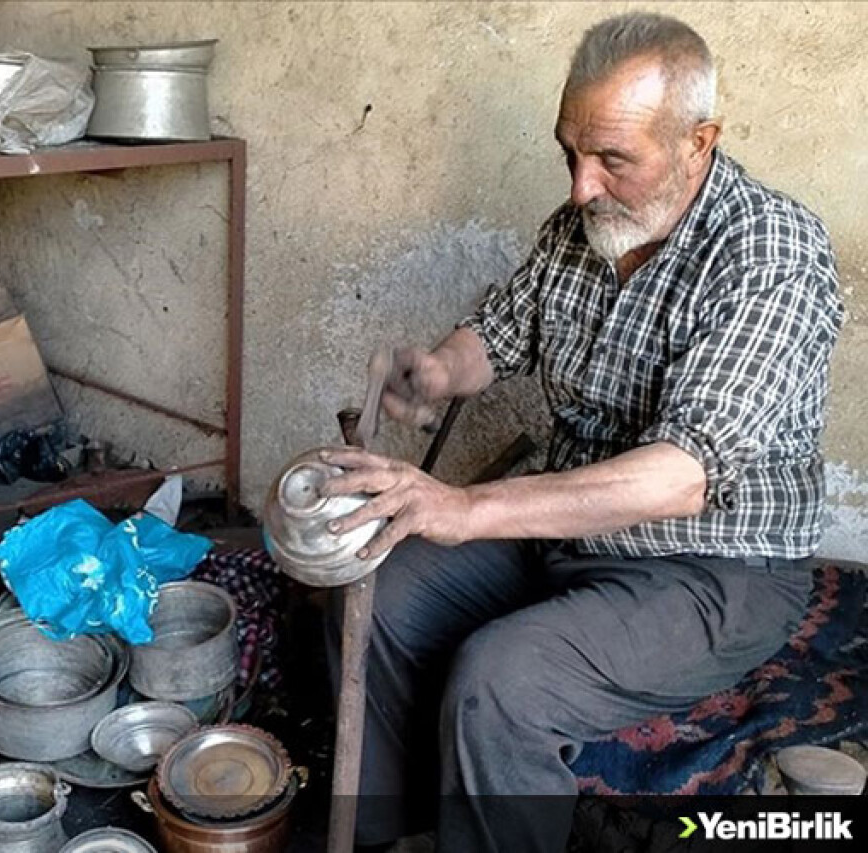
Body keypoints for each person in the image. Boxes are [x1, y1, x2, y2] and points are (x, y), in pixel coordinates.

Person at [321, 12, 844, 853]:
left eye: (612, 160)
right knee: (378, 586)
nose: (580, 185)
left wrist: (461, 506)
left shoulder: (769, 253)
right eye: (570, 151)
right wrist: (440, 371)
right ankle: (394, 831)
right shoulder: (581, 228)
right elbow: (499, 333)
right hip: (567, 533)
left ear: (697, 142)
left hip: (710, 562)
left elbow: (679, 478)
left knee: (503, 682)